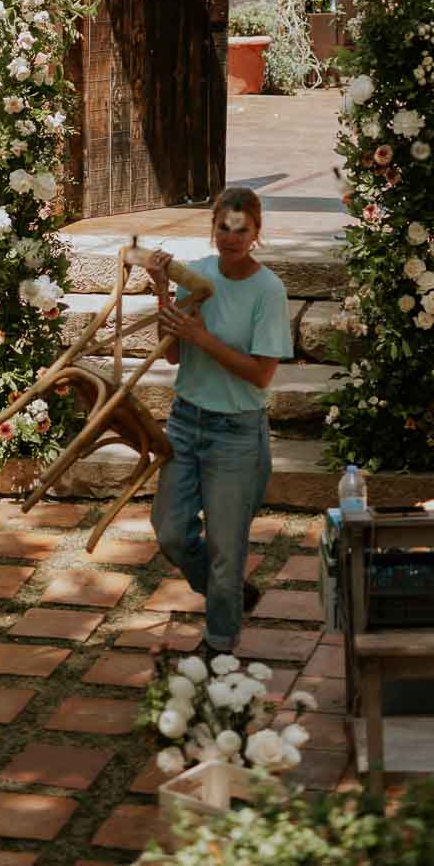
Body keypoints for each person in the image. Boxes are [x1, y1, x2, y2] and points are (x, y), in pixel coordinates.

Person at [145, 185, 293, 655]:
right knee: (170, 531)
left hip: (236, 432)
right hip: (186, 421)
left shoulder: (268, 291)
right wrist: (163, 293)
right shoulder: (198, 276)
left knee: (228, 552)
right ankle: (224, 596)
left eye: (240, 230)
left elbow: (261, 375)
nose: (230, 238)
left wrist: (202, 338)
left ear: (256, 233)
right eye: (222, 228)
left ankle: (219, 644)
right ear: (212, 228)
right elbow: (170, 356)